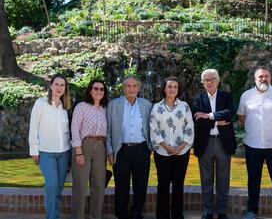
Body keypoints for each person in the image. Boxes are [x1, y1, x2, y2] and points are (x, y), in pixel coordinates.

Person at [237, 66, 272, 219]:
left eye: (266, 76)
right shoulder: (246, 96)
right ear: (255, 79)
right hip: (252, 144)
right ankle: (251, 210)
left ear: (270, 78)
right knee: (253, 180)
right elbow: (241, 118)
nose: (263, 79)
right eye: (260, 76)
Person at [192, 69, 237, 219]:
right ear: (203, 83)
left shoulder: (226, 96)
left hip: (223, 142)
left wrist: (209, 116)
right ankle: (208, 210)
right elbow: (198, 120)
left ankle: (222, 210)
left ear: (218, 81)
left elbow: (230, 113)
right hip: (205, 143)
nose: (210, 82)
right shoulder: (198, 98)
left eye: (212, 79)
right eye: (206, 80)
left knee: (223, 179)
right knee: (206, 179)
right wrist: (219, 120)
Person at [106, 75, 153, 219]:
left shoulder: (147, 104)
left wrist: (150, 148)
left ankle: (136, 213)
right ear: (123, 88)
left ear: (138, 88)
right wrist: (110, 151)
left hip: (141, 149)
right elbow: (107, 130)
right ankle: (122, 214)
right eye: (128, 86)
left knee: (141, 185)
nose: (131, 89)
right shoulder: (114, 104)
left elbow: (152, 128)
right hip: (121, 150)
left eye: (134, 86)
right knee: (121, 185)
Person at [149, 77, 194, 219]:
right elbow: (153, 129)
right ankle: (162, 216)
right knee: (163, 184)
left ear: (178, 89)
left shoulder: (185, 106)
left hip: (182, 152)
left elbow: (190, 127)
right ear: (164, 89)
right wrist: (166, 147)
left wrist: (181, 146)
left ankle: (177, 215)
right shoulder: (156, 107)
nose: (172, 89)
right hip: (162, 152)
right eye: (169, 86)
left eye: (175, 87)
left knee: (178, 184)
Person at [28, 74, 72, 219]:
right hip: (46, 153)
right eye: (57, 84)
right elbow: (33, 127)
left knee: (58, 188)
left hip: (64, 152)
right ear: (50, 86)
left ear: (65, 88)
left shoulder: (65, 106)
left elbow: (67, 131)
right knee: (51, 185)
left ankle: (55, 215)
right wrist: (34, 149)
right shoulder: (41, 103)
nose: (59, 87)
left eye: (62, 85)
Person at [71, 79, 109, 219]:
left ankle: (96, 216)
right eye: (96, 88)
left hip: (101, 148)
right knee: (80, 185)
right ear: (90, 90)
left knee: (99, 185)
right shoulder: (82, 106)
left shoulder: (106, 109)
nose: (99, 91)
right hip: (84, 146)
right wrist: (78, 151)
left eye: (101, 89)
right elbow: (74, 128)